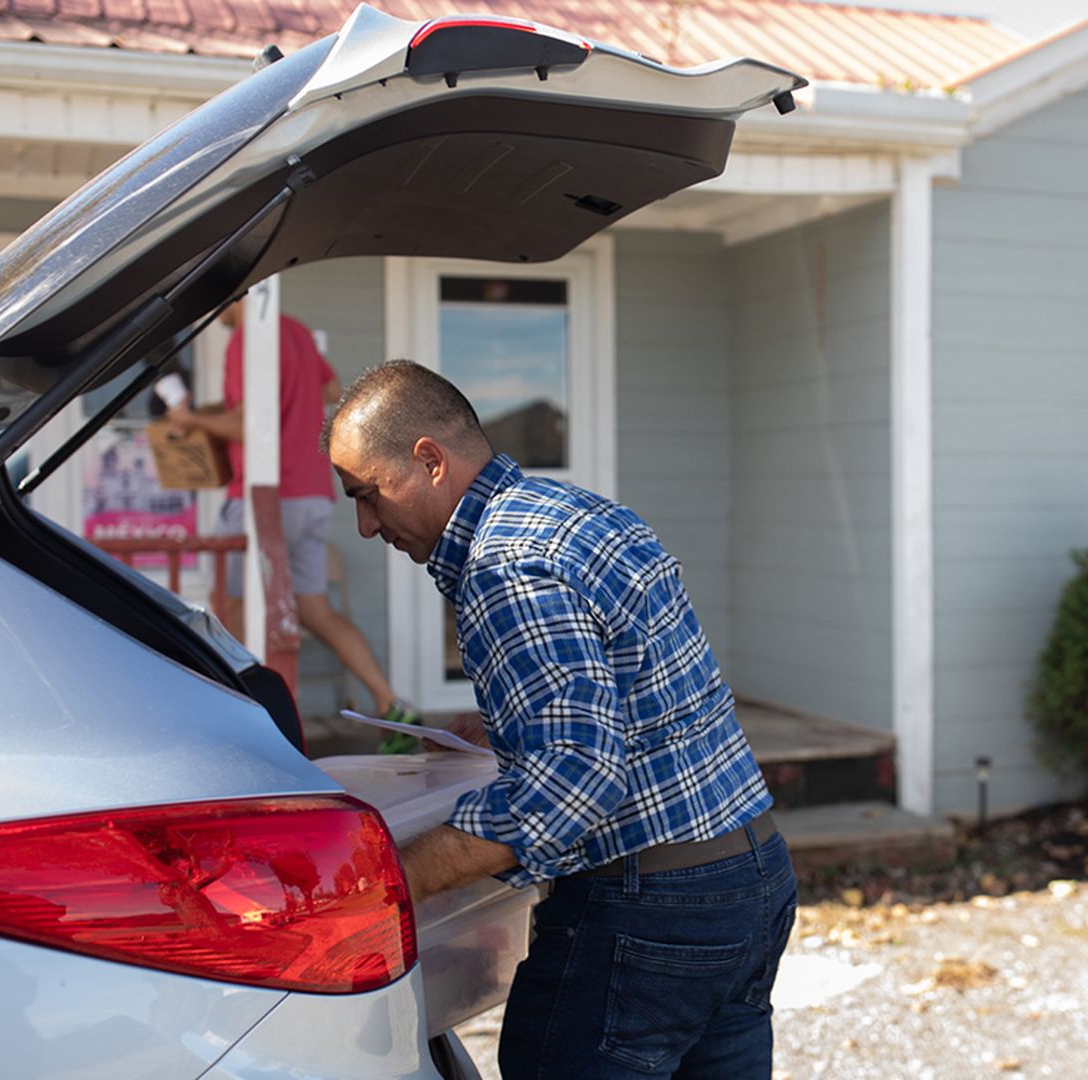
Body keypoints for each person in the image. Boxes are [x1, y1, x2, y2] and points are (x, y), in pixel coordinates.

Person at [323, 360, 795, 1080]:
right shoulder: (580, 513)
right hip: (752, 875)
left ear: (428, 460)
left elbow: (571, 783)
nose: (364, 525)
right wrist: (512, 725)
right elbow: (642, 692)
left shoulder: (502, 567)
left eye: (367, 495)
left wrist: (388, 879)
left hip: (649, 910)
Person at [168, 300, 410, 728]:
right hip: (313, 493)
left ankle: (242, 718)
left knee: (232, 606)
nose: (217, 309)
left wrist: (189, 418)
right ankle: (390, 703)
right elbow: (333, 389)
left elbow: (247, 424)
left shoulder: (247, 340)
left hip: (267, 495)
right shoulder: (295, 330)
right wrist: (293, 402)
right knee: (315, 610)